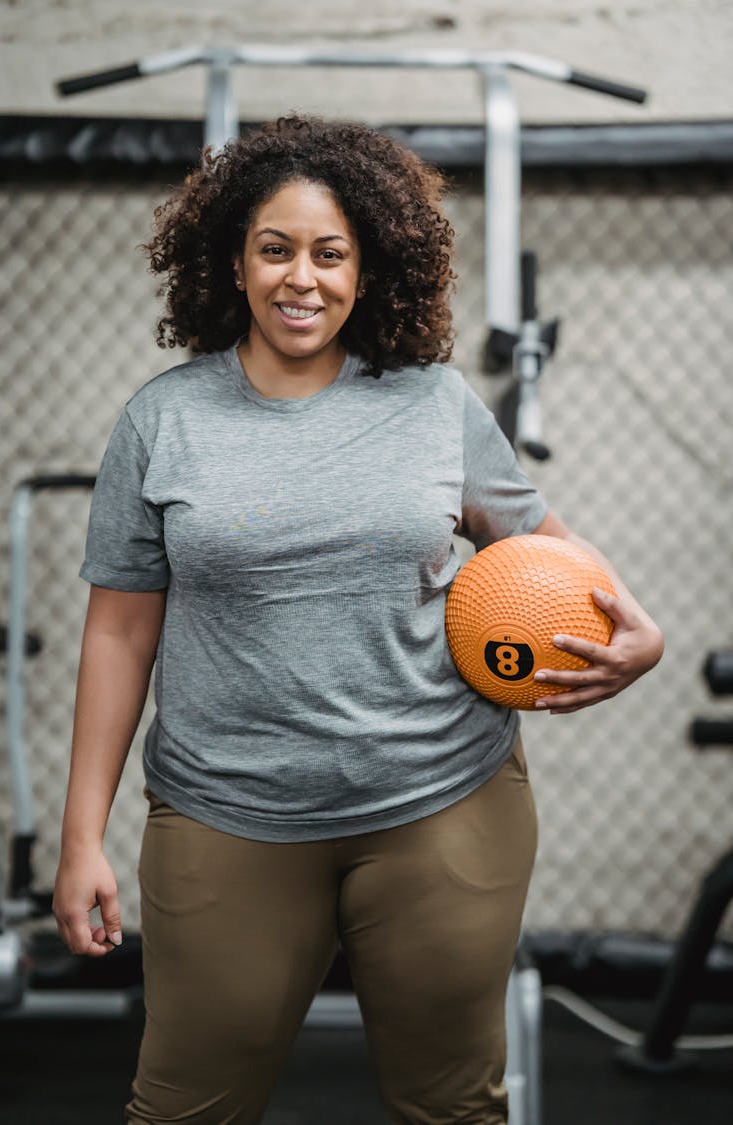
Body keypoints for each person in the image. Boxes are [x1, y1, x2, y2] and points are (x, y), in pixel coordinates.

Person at [53, 115, 663, 1125]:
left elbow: (547, 548)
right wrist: (84, 840)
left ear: (369, 266)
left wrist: (639, 631)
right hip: (226, 815)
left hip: (442, 803)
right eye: (276, 249)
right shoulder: (163, 422)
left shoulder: (434, 403)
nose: (304, 278)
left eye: (330, 253)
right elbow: (119, 633)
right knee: (182, 1111)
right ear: (233, 263)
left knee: (452, 1109)